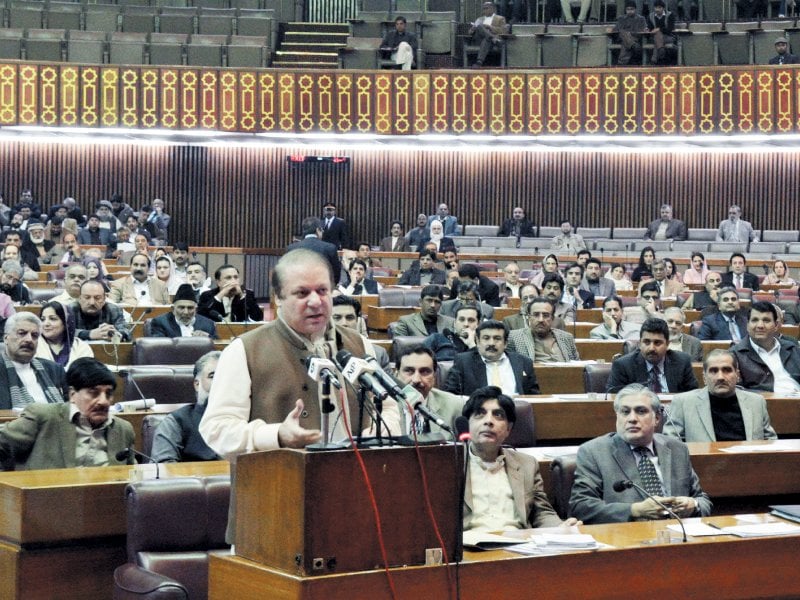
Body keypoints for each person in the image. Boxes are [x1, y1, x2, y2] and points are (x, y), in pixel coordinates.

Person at [199, 249, 400, 539]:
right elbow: (216, 430)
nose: (316, 301)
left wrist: (380, 432)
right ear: (278, 298)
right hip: (269, 519)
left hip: (352, 511)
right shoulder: (244, 350)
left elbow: (392, 408)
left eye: (323, 290)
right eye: (302, 293)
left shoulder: (359, 346)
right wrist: (277, 435)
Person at [569, 383, 712, 524]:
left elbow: (702, 499)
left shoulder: (677, 449)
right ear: (617, 416)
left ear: (656, 418)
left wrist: (693, 505)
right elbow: (580, 506)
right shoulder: (594, 452)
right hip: (625, 539)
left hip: (677, 535)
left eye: (641, 411)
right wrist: (634, 510)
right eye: (625, 412)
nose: (632, 418)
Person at [462, 386, 576, 531]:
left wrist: (561, 526)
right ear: (468, 424)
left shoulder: (527, 464)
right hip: (468, 547)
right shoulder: (447, 463)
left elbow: (541, 513)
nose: (488, 421)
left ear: (508, 429)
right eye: (480, 414)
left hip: (517, 544)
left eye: (498, 415)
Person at [0, 357, 134, 471]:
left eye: (109, 394)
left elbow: (131, 477)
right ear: (72, 394)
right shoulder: (43, 417)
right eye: (94, 393)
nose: (103, 401)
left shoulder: (123, 429)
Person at [665, 350, 777, 442]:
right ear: (704, 377)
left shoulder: (756, 402)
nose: (720, 377)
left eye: (727, 370)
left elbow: (770, 441)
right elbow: (670, 443)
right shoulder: (683, 402)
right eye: (713, 371)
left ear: (737, 375)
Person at [151, 352, 223, 463]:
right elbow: (163, 469)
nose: (221, 381)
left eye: (228, 376)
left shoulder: (249, 417)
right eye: (212, 376)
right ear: (197, 384)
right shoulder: (176, 422)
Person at [444, 320, 539, 396]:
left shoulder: (523, 362)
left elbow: (534, 397)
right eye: (486, 338)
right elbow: (451, 395)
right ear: (477, 341)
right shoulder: (464, 361)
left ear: (505, 343)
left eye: (497, 338)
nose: (491, 343)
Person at [606, 317, 698, 393]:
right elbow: (615, 400)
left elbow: (693, 395)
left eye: (657, 343)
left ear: (667, 344)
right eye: (646, 342)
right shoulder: (623, 366)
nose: (651, 348)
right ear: (639, 343)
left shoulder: (682, 361)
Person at [0, 312, 68, 410]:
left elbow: (71, 407)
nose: (29, 339)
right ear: (6, 338)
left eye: (34, 335)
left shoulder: (54, 369)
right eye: (22, 333)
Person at [395, 346, 464, 438]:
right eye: (409, 371)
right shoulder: (380, 407)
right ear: (396, 374)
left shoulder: (456, 406)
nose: (416, 380)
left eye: (424, 372)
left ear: (434, 376)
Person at [732, 301, 800, 393]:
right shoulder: (735, 354)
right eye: (755, 320)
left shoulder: (792, 348)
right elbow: (737, 391)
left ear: (776, 325)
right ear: (747, 325)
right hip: (765, 403)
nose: (760, 325)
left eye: (766, 320)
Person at [507, 298, 579, 364]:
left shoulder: (567, 338)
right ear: (529, 317)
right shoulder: (514, 337)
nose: (541, 319)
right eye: (536, 315)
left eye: (546, 315)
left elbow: (577, 367)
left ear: (552, 318)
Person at [330, 295, 389, 368]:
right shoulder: (322, 351)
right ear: (329, 321)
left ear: (357, 321)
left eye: (349, 318)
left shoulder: (378, 354)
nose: (344, 323)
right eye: (337, 318)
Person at [35, 301, 94, 369]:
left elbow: (86, 374)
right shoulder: (34, 345)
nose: (46, 324)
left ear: (66, 323)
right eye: (42, 319)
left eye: (53, 319)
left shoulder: (81, 347)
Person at [197, 264, 262, 323]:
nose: (233, 281)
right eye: (228, 278)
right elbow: (201, 316)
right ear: (218, 282)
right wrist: (221, 294)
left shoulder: (247, 294)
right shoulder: (207, 295)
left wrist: (242, 295)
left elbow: (258, 318)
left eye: (236, 277)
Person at [149, 283, 218, 339]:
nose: (186, 312)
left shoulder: (208, 324)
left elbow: (217, 344)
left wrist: (207, 338)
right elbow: (159, 347)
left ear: (196, 309)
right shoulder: (161, 322)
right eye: (181, 308)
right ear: (173, 309)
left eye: (190, 308)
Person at [286, 216, 341, 285]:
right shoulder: (330, 248)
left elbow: (287, 272)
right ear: (318, 230)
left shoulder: (291, 248)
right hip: (321, 289)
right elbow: (336, 275)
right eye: (322, 230)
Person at [468, 2, 508, 67]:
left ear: (493, 9)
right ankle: (492, 38)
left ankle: (479, 62)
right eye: (483, 9)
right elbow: (470, 32)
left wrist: (490, 27)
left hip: (489, 42)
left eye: (487, 8)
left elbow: (503, 31)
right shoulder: (479, 19)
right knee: (480, 26)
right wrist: (473, 29)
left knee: (486, 39)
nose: (485, 10)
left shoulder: (500, 18)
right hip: (480, 40)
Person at [612, 1, 648, 66]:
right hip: (624, 39)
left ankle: (621, 63)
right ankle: (633, 45)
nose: (630, 11)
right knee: (623, 33)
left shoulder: (641, 19)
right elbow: (616, 30)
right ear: (625, 10)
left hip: (635, 38)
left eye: (631, 9)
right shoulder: (621, 18)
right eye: (628, 9)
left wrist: (645, 30)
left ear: (635, 9)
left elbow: (644, 30)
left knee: (625, 42)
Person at [646, 0, 677, 66]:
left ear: (663, 8)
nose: (657, 9)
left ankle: (654, 60)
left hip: (668, 37)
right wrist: (647, 29)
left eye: (659, 8)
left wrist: (659, 29)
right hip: (654, 37)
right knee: (657, 36)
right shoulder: (650, 16)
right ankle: (661, 52)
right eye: (656, 7)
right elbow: (650, 29)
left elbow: (670, 29)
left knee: (657, 36)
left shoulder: (670, 15)